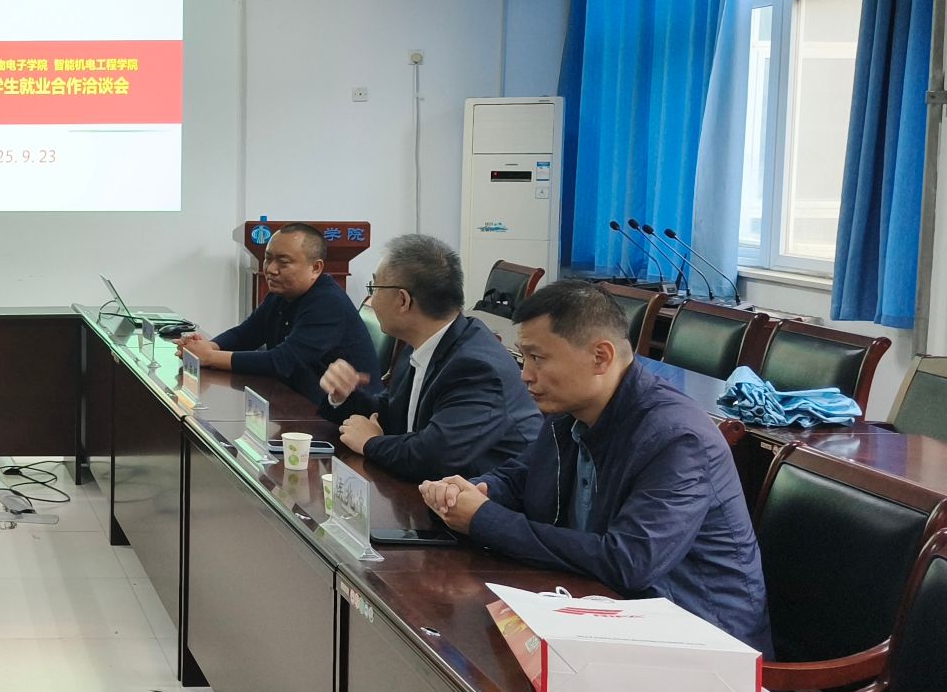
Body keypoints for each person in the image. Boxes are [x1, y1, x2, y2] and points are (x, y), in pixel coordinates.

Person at [420, 279, 771, 652]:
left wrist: (484, 519)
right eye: (524, 357)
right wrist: (472, 491)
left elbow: (629, 562)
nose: (525, 374)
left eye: (538, 358)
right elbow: (521, 477)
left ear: (600, 357)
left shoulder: (677, 438)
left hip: (703, 643)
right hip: (605, 613)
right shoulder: (569, 413)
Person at [317, 234, 539, 481]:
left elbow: (435, 457)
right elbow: (391, 414)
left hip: (491, 494)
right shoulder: (423, 341)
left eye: (374, 288)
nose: (371, 299)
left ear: (403, 300)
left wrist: (370, 443)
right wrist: (342, 396)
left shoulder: (475, 366)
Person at [178, 223, 375, 407]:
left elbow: (283, 362)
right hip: (298, 400)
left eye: (283, 262)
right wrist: (207, 347)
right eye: (268, 258)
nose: (271, 269)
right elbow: (246, 334)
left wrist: (209, 357)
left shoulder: (327, 302)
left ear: (315, 268)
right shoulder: (282, 293)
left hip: (345, 412)